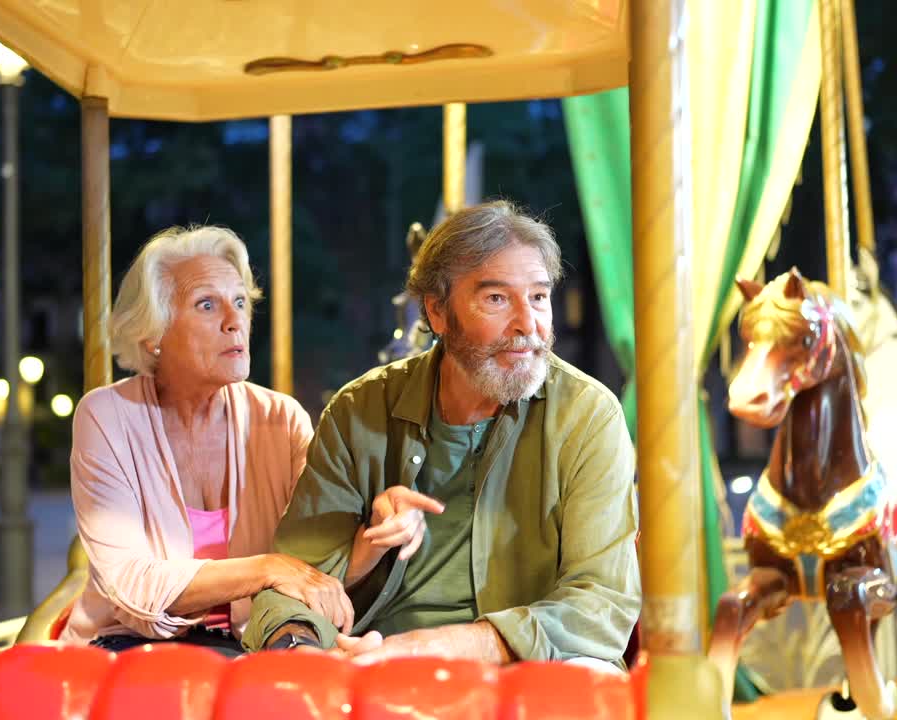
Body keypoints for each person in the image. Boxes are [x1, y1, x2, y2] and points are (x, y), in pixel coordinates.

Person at [242, 201, 640, 669]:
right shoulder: (359, 411)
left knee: (586, 680)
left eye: (538, 297)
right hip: (371, 660)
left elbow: (601, 606)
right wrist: (303, 654)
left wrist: (427, 648)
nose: (527, 325)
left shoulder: (586, 414)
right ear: (437, 311)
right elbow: (293, 583)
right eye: (497, 299)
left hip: (535, 663)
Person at [60, 226, 353, 656]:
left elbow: (321, 552)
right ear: (153, 334)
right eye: (206, 304)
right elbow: (132, 586)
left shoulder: (281, 418)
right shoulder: (105, 416)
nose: (235, 321)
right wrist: (267, 569)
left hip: (252, 644)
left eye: (239, 302)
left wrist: (379, 523)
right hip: (127, 646)